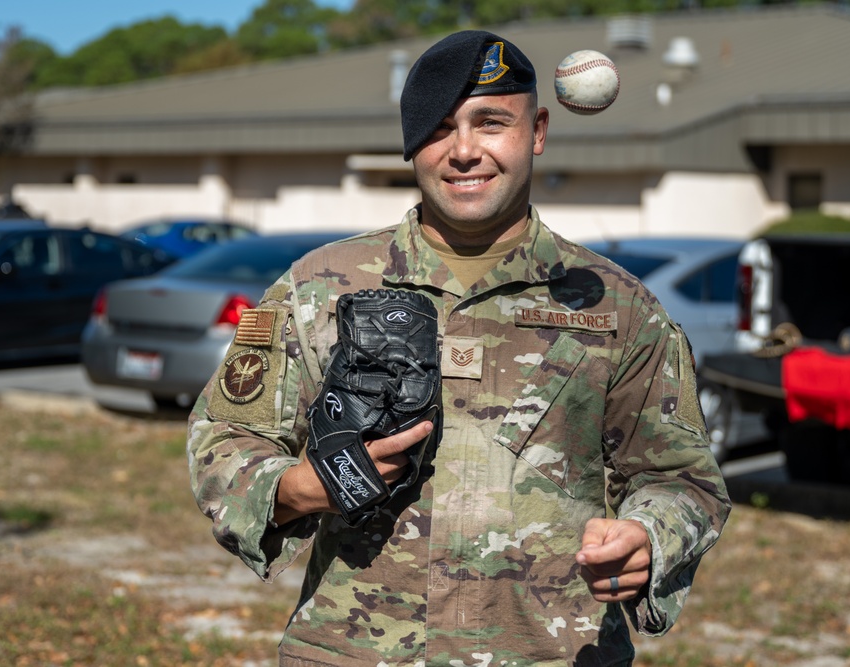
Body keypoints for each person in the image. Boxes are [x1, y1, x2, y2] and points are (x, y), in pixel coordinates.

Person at [188, 29, 730, 666]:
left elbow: (682, 480)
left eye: (491, 121)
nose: (464, 151)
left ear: (538, 132)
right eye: (440, 128)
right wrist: (300, 487)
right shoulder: (316, 286)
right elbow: (222, 437)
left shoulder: (617, 305)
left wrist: (647, 536)